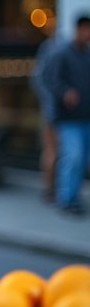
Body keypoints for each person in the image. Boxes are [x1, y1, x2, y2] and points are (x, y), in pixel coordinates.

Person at [42, 14, 90, 215]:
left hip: (86, 116)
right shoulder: (61, 53)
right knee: (72, 157)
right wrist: (65, 92)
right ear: (78, 29)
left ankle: (73, 197)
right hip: (68, 117)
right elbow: (48, 80)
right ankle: (66, 198)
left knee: (81, 159)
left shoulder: (87, 54)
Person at [32, 30, 64, 202]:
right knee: (53, 151)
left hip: (59, 111)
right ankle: (50, 189)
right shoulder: (54, 47)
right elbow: (39, 78)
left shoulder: (55, 47)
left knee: (54, 151)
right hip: (56, 111)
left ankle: (51, 189)